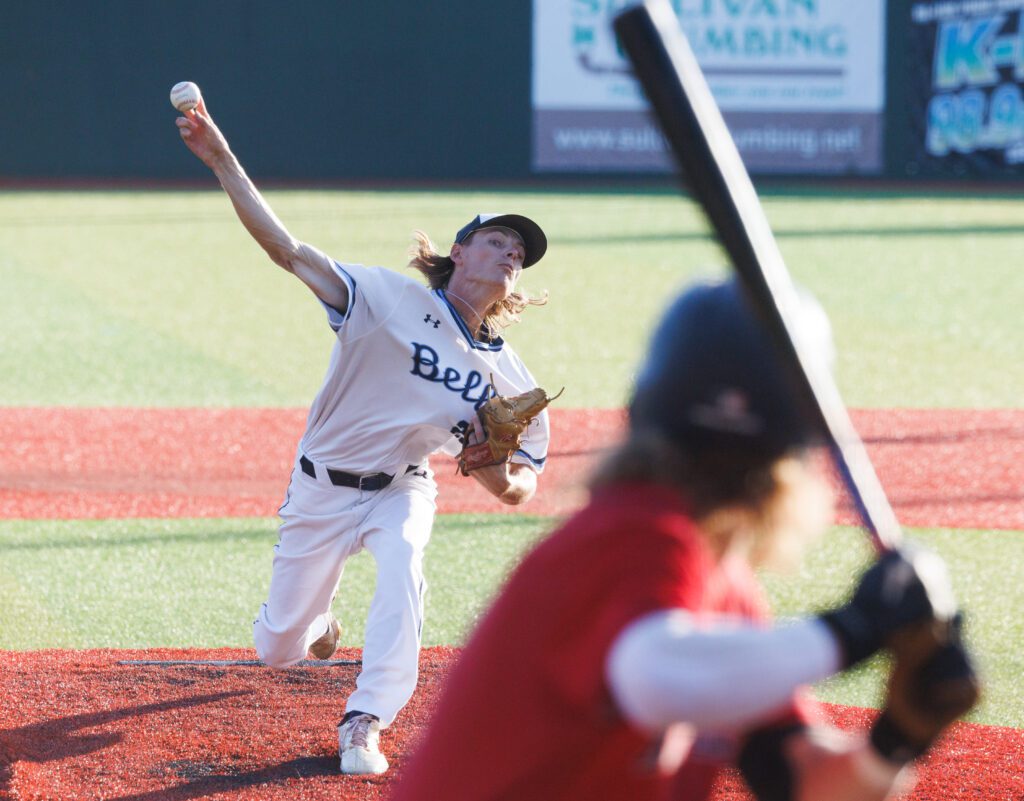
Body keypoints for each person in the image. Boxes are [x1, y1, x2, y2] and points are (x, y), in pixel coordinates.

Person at [391, 278, 979, 801]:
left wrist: (898, 738)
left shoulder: (719, 585)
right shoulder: (633, 534)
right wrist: (856, 629)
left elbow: (804, 782)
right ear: (797, 449)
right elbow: (655, 674)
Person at [174, 96, 553, 775]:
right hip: (320, 484)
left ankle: (366, 717)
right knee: (279, 648)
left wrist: (492, 469)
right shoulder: (384, 298)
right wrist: (223, 160)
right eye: (497, 240)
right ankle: (319, 626)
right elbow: (284, 250)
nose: (510, 253)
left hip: (403, 486)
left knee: (405, 566)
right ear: (459, 252)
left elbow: (522, 485)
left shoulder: (512, 379)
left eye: (519, 252)